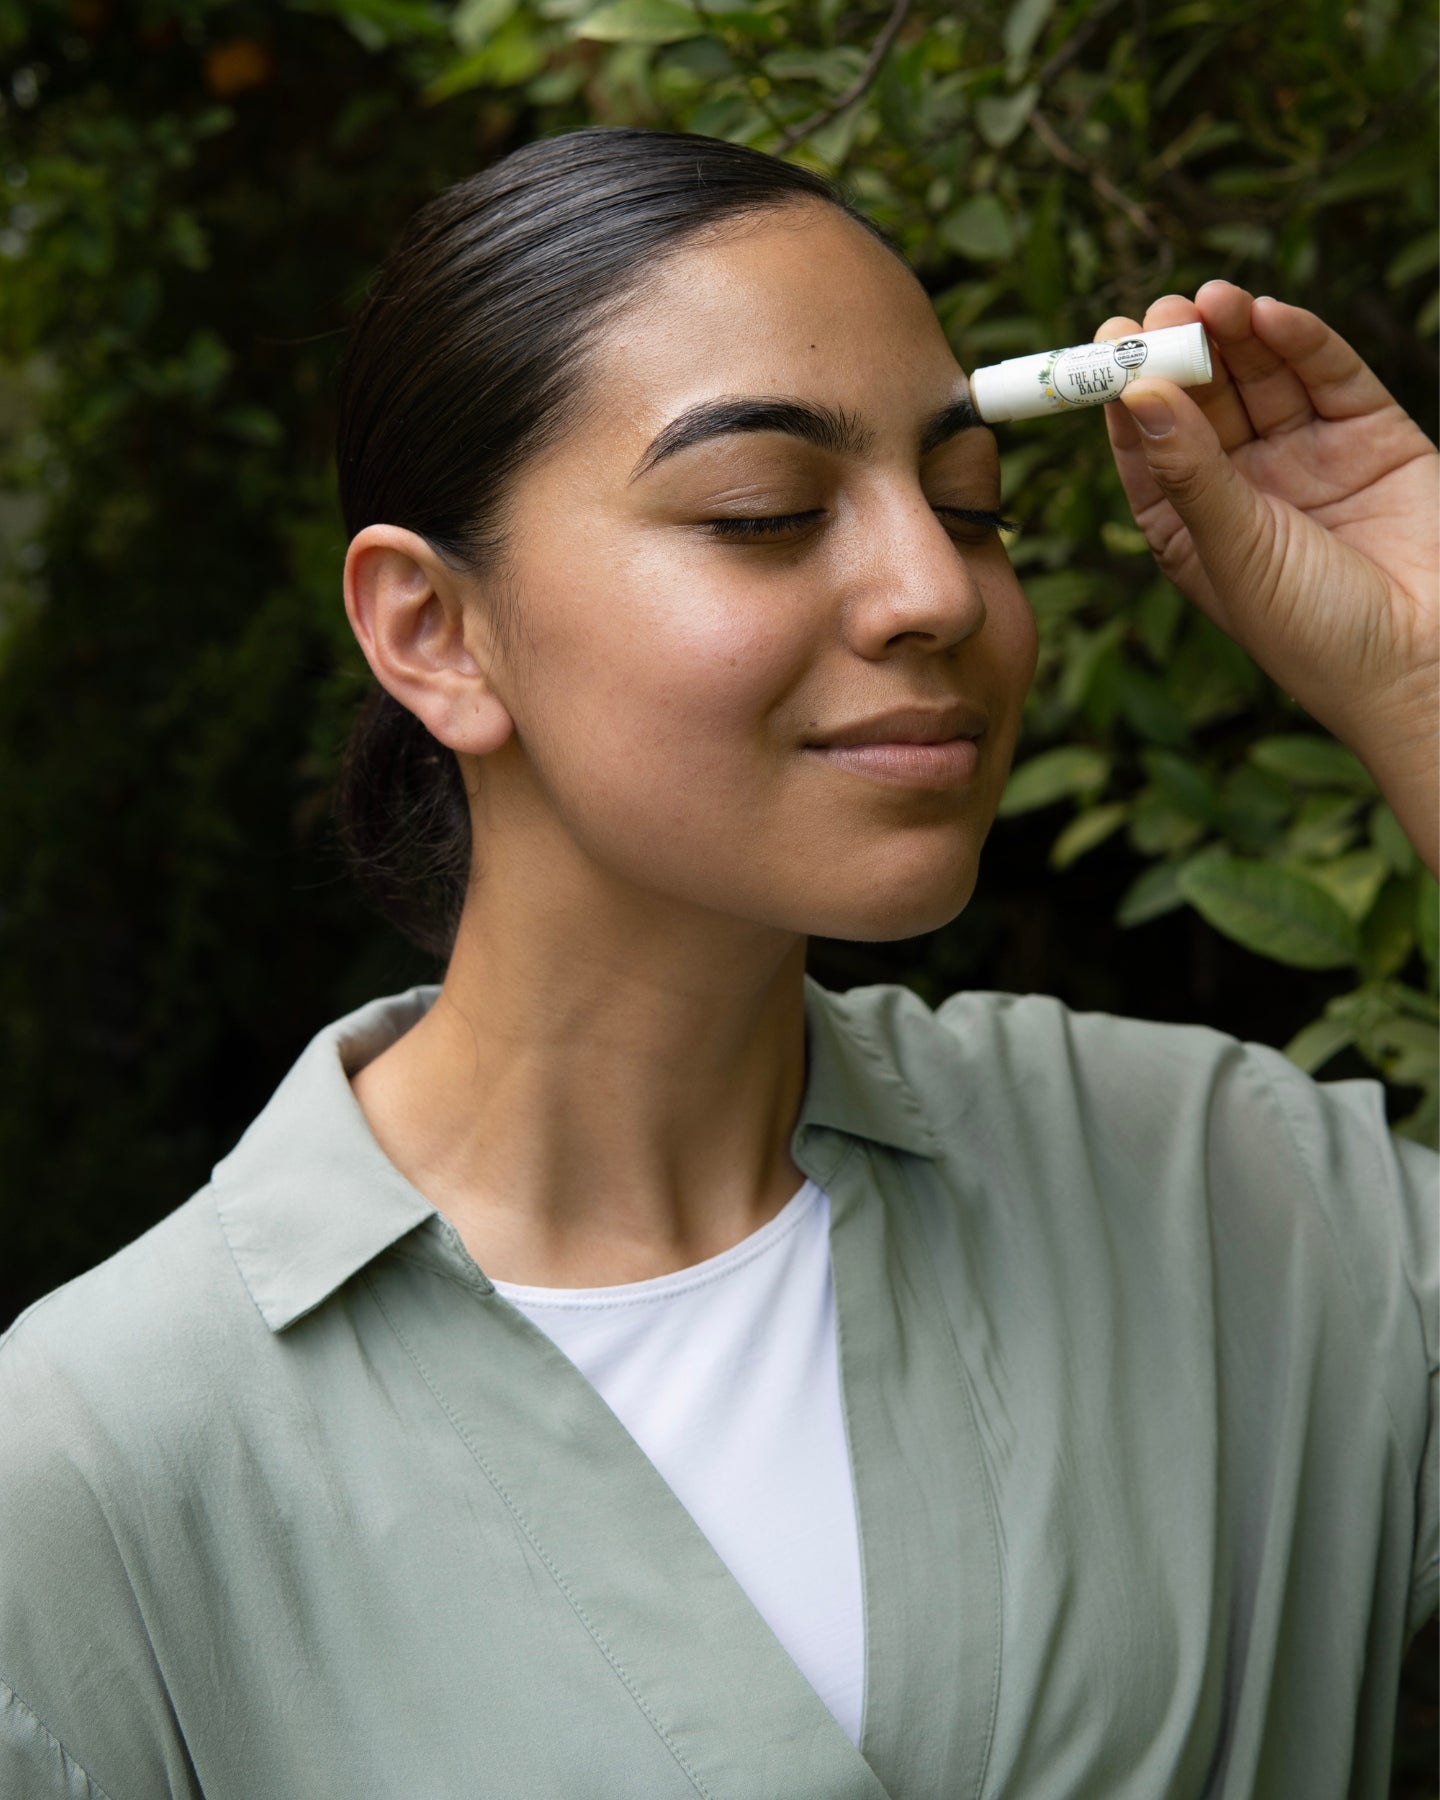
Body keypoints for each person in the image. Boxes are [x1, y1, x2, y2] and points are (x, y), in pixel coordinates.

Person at [0, 125, 1435, 1800]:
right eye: (764, 511)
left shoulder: (1223, 1190)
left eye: (971, 508)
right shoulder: (94, 1463)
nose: (931, 592)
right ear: (431, 633)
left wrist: (1423, 678)